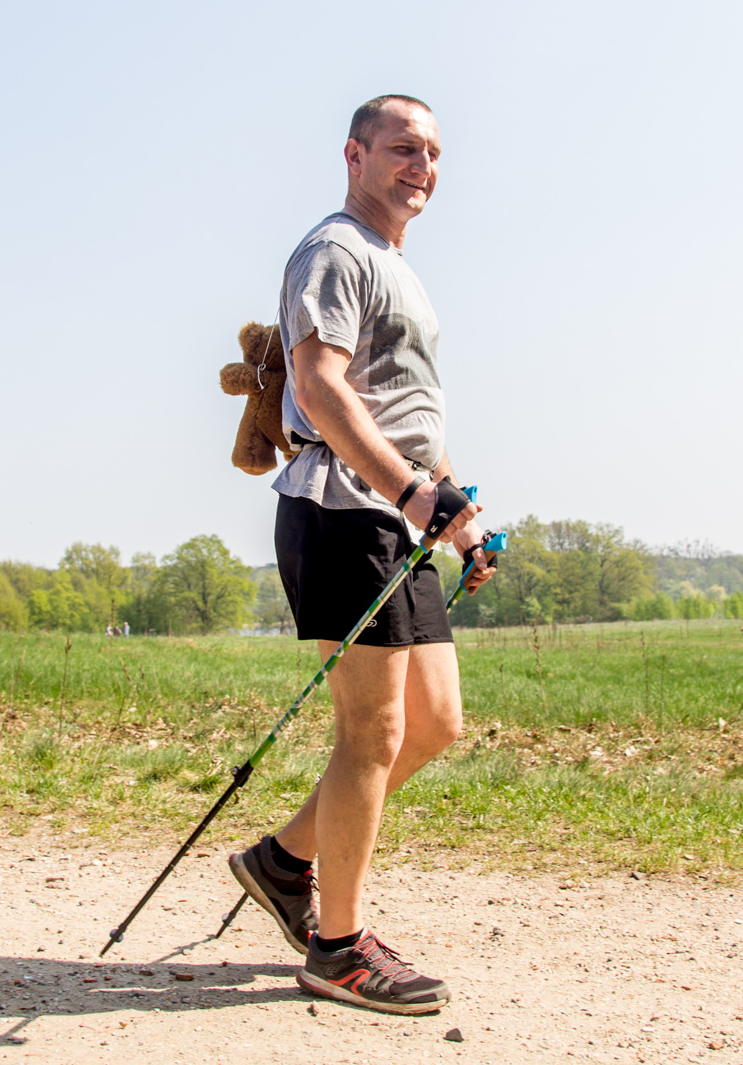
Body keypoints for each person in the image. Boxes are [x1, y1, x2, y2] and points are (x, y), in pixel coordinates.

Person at [229, 94, 495, 1015]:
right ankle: (336, 947)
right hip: (342, 513)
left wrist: (454, 515)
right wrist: (409, 491)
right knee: (372, 734)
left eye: (431, 152)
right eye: (401, 147)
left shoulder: (398, 268)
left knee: (433, 724)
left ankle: (282, 859)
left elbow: (409, 412)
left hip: (397, 516)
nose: (421, 165)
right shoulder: (336, 250)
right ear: (354, 153)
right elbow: (320, 384)